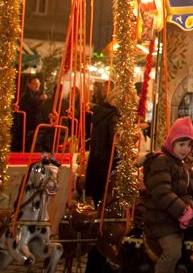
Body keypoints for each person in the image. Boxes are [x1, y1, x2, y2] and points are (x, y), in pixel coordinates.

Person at [142, 117, 193, 273]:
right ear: (171, 142)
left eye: (189, 145)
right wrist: (182, 211)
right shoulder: (162, 161)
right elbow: (162, 192)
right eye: (181, 144)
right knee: (173, 252)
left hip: (183, 218)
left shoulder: (188, 163)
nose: (185, 149)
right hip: (162, 220)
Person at [85, 82, 120, 273]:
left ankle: (96, 263)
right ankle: (98, 262)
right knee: (107, 221)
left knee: (101, 219)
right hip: (106, 172)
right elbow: (116, 144)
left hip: (96, 170)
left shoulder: (100, 114)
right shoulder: (114, 117)